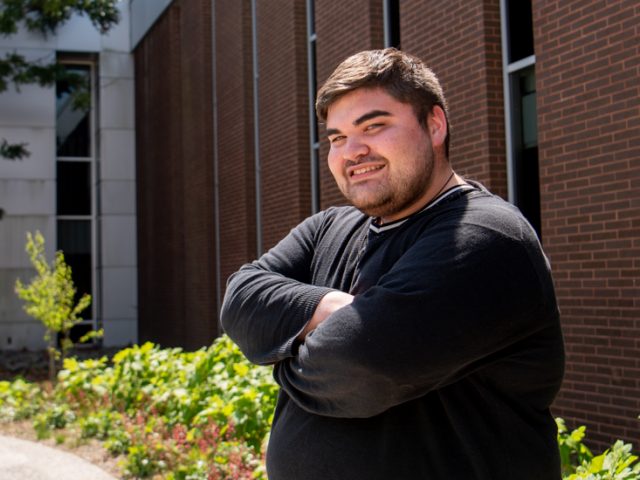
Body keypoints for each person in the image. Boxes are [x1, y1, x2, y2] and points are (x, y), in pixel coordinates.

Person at [220, 48, 565, 479]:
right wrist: (331, 309)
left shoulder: (484, 237)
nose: (352, 151)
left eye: (374, 126)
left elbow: (360, 369)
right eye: (337, 137)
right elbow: (240, 298)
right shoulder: (329, 227)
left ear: (434, 125)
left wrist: (283, 354)